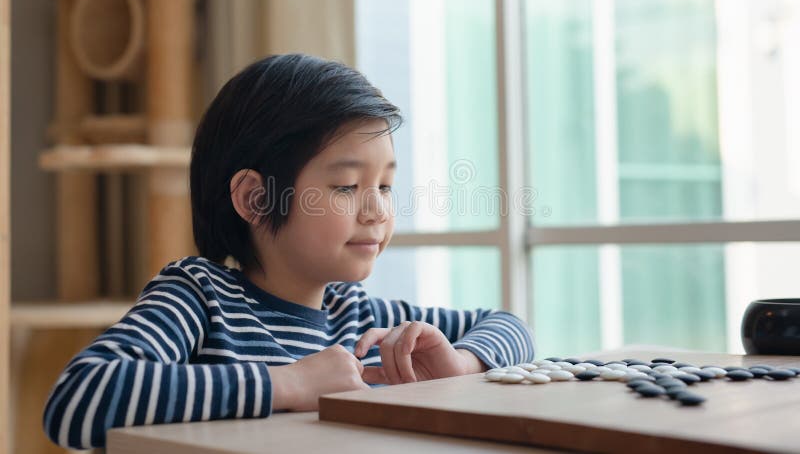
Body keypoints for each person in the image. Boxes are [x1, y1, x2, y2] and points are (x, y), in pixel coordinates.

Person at [43, 54, 535, 449]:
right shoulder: (200, 298)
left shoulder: (357, 316)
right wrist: (290, 384)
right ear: (256, 199)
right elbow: (78, 399)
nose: (377, 211)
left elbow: (511, 328)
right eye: (345, 186)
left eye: (384, 185)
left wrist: (463, 363)